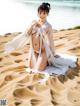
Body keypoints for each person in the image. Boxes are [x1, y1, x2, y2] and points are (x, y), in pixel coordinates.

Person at [4, 2, 77, 73]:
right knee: (31, 67)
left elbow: (50, 40)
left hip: (43, 51)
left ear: (47, 14)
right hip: (33, 50)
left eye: (44, 13)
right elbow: (27, 34)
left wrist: (53, 53)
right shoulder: (33, 22)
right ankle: (44, 61)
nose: (42, 15)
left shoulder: (48, 26)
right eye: (40, 13)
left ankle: (47, 60)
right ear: (38, 13)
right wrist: (32, 26)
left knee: (39, 69)